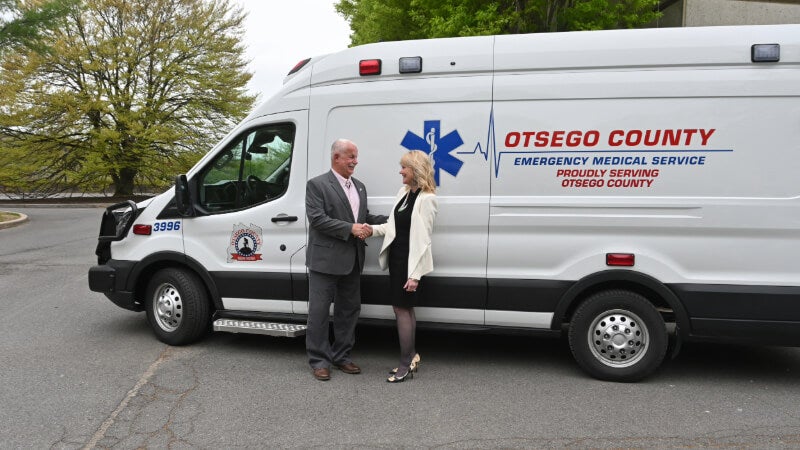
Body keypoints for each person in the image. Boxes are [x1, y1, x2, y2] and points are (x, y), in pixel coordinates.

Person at [305, 138, 387, 381]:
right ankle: (319, 360)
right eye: (350, 156)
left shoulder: (359, 186)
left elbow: (364, 216)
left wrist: (395, 218)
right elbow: (317, 219)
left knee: (348, 310)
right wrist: (351, 228)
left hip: (352, 260)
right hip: (325, 261)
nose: (355, 161)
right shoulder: (317, 185)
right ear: (336, 158)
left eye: (356, 156)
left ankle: (342, 356)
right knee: (319, 313)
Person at [370, 150, 438, 383]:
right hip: (397, 260)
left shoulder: (427, 199)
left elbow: (424, 240)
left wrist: (416, 275)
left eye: (404, 167)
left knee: (402, 310)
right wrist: (370, 229)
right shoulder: (404, 193)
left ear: (415, 170)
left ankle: (405, 363)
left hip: (411, 263)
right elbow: (391, 226)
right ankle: (412, 356)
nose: (400, 171)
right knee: (404, 309)